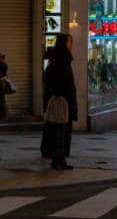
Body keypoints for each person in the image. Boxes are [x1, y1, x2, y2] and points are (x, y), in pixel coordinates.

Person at [40, 34, 77, 170]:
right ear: (64, 43)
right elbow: (61, 82)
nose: (71, 44)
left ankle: (58, 158)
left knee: (58, 128)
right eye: (69, 41)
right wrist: (62, 95)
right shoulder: (60, 61)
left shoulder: (58, 59)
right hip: (61, 101)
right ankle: (58, 159)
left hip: (61, 99)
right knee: (60, 129)